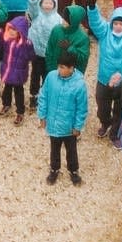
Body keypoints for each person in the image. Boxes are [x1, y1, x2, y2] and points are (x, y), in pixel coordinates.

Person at [37, 56, 89, 185]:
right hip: (53, 124)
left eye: (62, 67)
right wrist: (42, 116)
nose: (59, 70)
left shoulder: (79, 84)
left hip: (69, 127)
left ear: (71, 68)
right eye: (58, 66)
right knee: (54, 148)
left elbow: (82, 108)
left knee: (71, 149)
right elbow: (43, 96)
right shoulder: (51, 77)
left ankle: (73, 170)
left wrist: (78, 126)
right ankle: (54, 169)